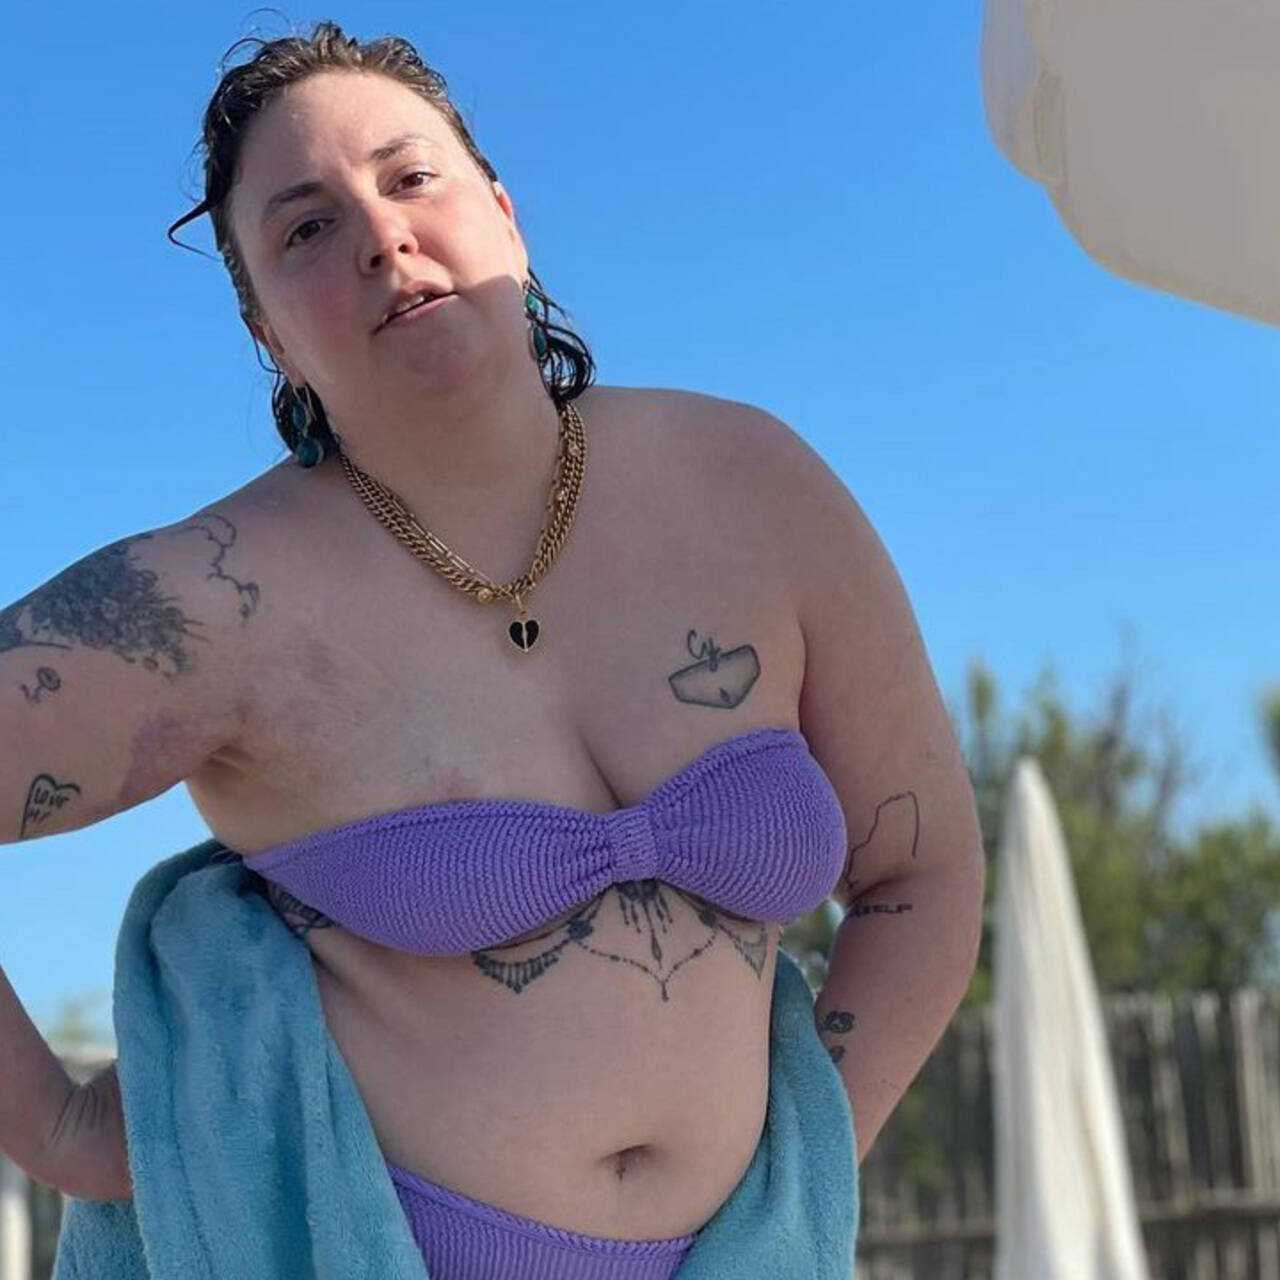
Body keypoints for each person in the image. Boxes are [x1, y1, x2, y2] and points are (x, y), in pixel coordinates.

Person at [0, 19, 985, 1278]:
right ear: (268, 334)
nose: (380, 235)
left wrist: (808, 1166)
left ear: (506, 219)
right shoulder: (212, 598)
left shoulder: (753, 486)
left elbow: (919, 870)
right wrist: (59, 1128)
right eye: (307, 228)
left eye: (411, 176)